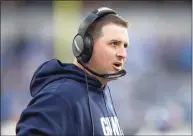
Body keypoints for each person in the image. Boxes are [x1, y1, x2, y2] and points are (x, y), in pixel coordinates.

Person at [16, 7, 129, 136]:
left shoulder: (101, 93)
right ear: (86, 46)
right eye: (114, 44)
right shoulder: (59, 97)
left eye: (125, 46)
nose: (122, 54)